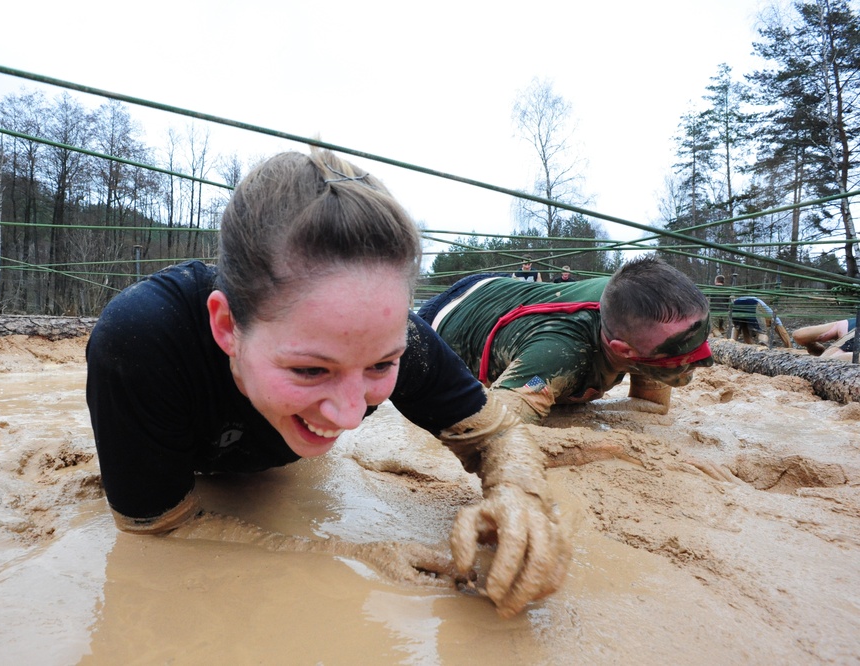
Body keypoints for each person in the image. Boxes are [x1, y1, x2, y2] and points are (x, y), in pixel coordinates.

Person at [86, 149, 569, 619]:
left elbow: (498, 432)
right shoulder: (140, 342)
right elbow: (156, 528)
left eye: (381, 365)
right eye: (310, 370)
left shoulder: (405, 340)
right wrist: (345, 554)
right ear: (228, 326)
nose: (351, 416)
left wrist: (517, 495)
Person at [417, 257, 714, 425]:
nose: (707, 358)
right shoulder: (559, 356)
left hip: (505, 291)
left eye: (704, 334)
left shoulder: (642, 323)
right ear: (623, 350)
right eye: (683, 350)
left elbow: (651, 404)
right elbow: (495, 425)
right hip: (444, 314)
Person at [792, 317, 857, 361]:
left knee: (827, 359)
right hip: (851, 325)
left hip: (852, 339)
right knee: (798, 335)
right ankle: (816, 349)